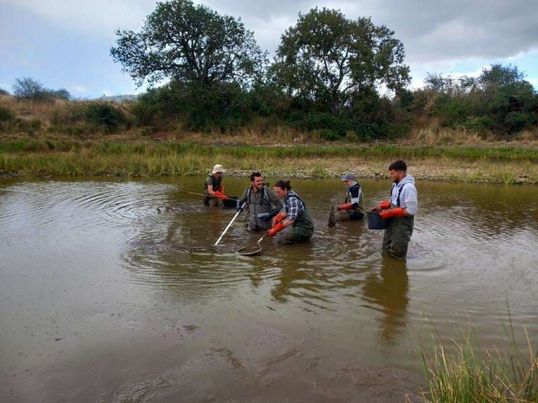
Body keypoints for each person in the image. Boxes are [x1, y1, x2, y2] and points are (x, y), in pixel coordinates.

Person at [373, 160, 418, 260]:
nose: (390, 176)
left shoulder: (409, 188)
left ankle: (399, 272)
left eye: (392, 173)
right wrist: (384, 205)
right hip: (392, 221)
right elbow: (394, 201)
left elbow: (411, 210)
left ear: (400, 173)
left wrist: (391, 212)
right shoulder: (395, 185)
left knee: (398, 253)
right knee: (386, 248)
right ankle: (387, 271)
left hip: (402, 224)